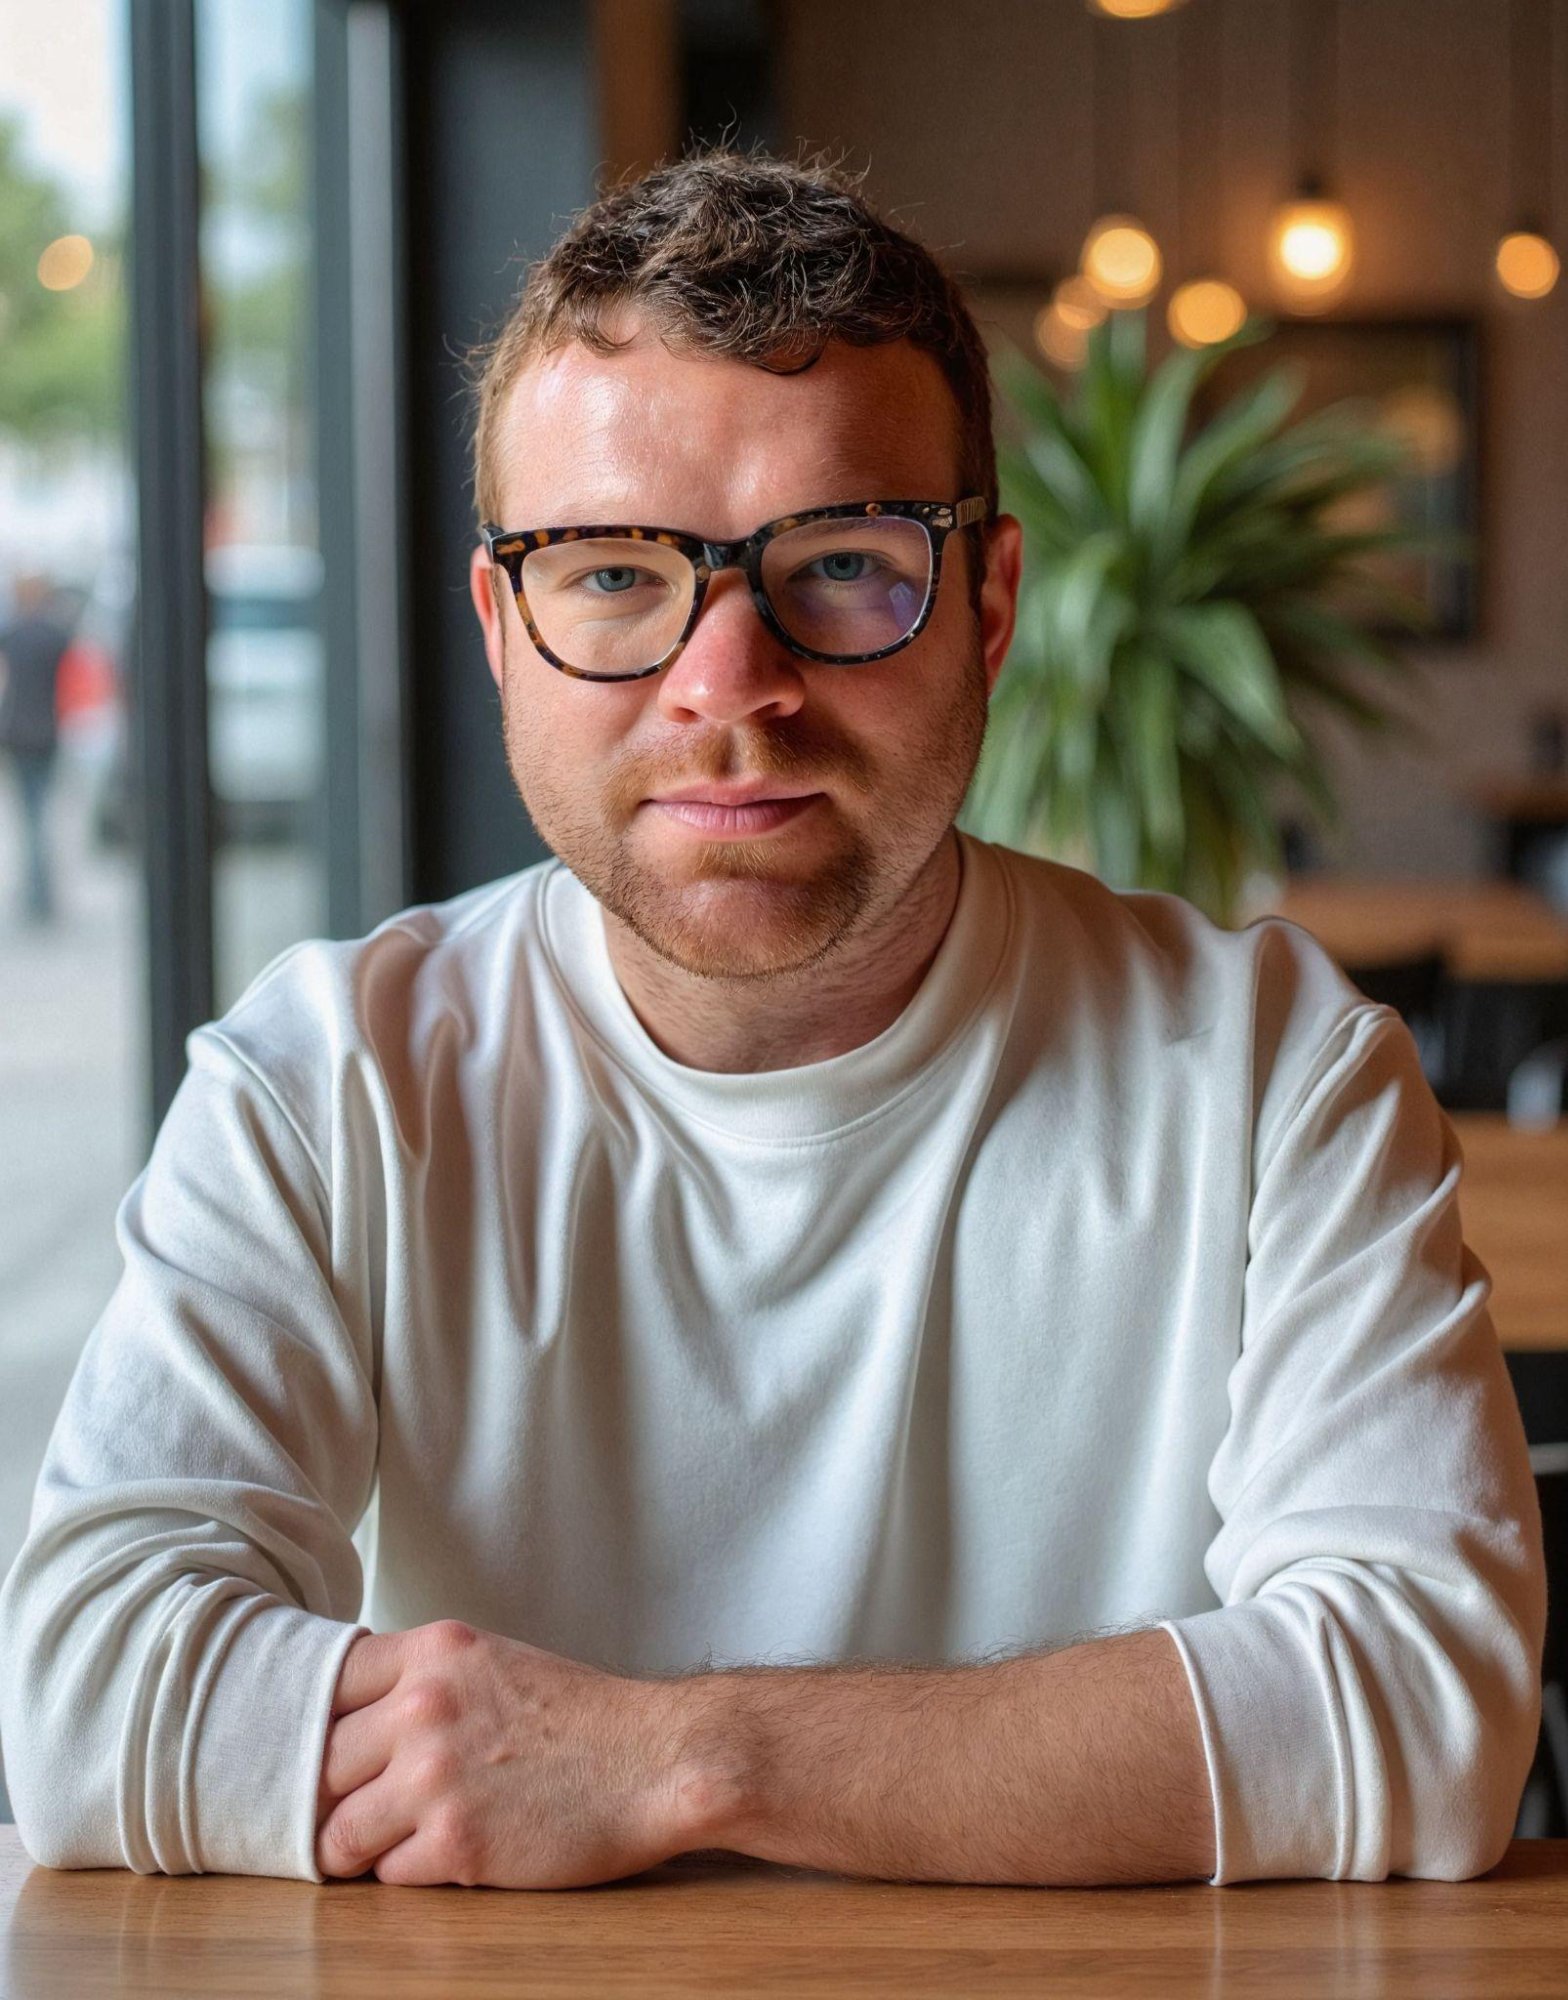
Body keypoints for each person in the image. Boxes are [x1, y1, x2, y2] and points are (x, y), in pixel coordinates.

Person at [0, 149, 1545, 1893]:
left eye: (840, 563)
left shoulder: (1270, 1071)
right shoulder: (328, 1080)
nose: (726, 686)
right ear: (500, 624)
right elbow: (87, 1695)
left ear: (987, 603)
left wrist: (679, 1760)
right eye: (608, 575)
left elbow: (1423, 1706)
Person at [0, 572, 72, 923]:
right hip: (47, 732)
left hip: (17, 733)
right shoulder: (53, 636)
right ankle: (41, 891)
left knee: (30, 817)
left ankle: (36, 890)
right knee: (41, 814)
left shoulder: (12, 635)